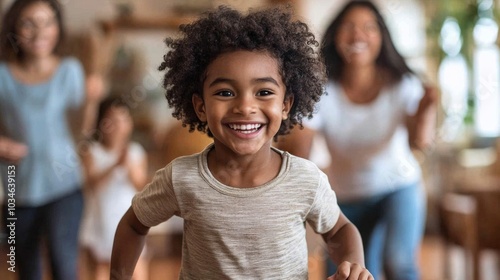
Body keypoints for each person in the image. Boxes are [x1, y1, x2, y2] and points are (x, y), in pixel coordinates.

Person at [110, 5, 373, 280]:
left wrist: (353, 267)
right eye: (225, 92)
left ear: (286, 105)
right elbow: (133, 224)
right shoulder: (182, 178)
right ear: (200, 107)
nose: (245, 106)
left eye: (264, 92)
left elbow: (341, 230)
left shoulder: (306, 179)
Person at [275, 1, 438, 279]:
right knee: (349, 272)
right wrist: (296, 193)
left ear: (381, 37)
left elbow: (419, 142)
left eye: (368, 27)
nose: (358, 35)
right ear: (336, 35)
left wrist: (427, 109)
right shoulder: (322, 90)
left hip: (398, 188)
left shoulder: (401, 83)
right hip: (345, 198)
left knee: (398, 261)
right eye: (348, 27)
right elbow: (303, 145)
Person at [0, 0, 101, 279]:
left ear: (58, 27)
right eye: (28, 23)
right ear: (14, 28)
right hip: (18, 189)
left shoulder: (70, 70)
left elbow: (85, 134)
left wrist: (92, 102)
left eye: (47, 22)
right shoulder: (3, 77)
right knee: (27, 270)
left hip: (65, 185)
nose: (39, 31)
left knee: (64, 265)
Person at [80, 97, 148, 280]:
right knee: (101, 269)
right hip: (100, 221)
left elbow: (142, 186)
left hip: (130, 219)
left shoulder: (135, 151)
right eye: (113, 120)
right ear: (101, 123)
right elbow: (91, 184)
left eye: (124, 119)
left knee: (137, 268)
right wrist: (114, 165)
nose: (119, 126)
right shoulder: (92, 151)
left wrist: (129, 168)